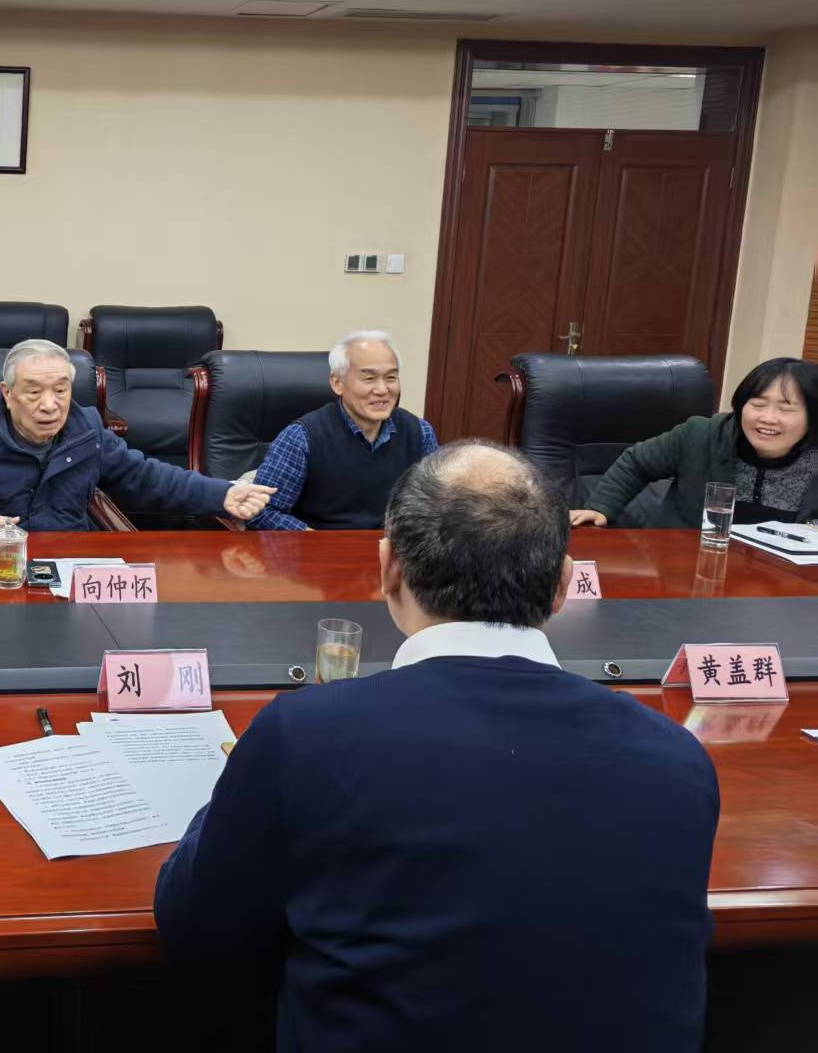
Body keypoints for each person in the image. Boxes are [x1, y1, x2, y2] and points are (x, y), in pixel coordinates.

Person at [154, 442, 718, 1052]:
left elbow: (197, 928)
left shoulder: (306, 736)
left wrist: (240, 779)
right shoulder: (678, 756)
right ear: (563, 585)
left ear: (389, 568)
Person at [0, 338, 275, 546]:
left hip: (70, 567)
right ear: (7, 394)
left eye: (61, 390)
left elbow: (145, 477)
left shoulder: (87, 430)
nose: (50, 405)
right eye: (34, 392)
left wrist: (221, 494)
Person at [572, 356, 817, 528]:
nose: (768, 418)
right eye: (758, 404)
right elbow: (637, 463)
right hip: (683, 565)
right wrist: (600, 507)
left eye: (786, 409)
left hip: (784, 581)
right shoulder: (702, 435)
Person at [246, 328, 438, 530]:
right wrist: (313, 539)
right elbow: (262, 511)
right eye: (369, 378)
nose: (382, 390)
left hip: (391, 544)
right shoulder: (301, 437)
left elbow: (437, 505)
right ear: (337, 383)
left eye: (391, 377)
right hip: (321, 545)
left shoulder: (420, 432)